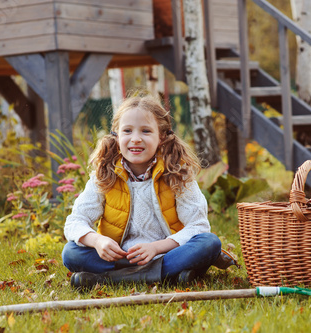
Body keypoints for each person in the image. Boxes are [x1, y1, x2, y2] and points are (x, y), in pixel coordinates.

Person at [62, 93, 236, 290]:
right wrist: (98, 241)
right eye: (127, 131)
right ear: (117, 136)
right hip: (119, 258)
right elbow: (74, 222)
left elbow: (198, 226)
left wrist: (155, 248)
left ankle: (109, 279)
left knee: (209, 243)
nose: (135, 139)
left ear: (161, 137)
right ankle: (167, 277)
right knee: (71, 252)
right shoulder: (104, 175)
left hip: (166, 255)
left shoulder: (178, 174)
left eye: (146, 131)